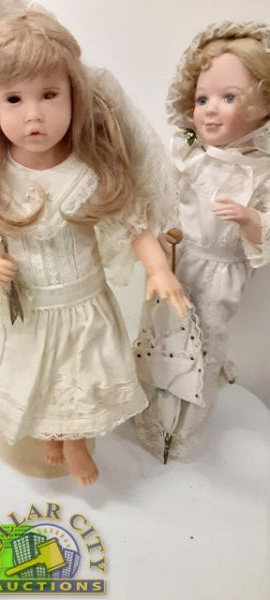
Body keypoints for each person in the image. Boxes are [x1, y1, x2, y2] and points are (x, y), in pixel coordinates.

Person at [0, 11, 189, 485]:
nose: (33, 115)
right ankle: (51, 434)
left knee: (80, 374)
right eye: (14, 99)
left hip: (82, 305)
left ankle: (75, 441)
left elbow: (132, 223)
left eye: (49, 95)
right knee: (34, 376)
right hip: (28, 309)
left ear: (73, 95)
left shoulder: (88, 169)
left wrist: (158, 269)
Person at [144, 21, 270, 457]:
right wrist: (161, 235)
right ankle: (156, 419)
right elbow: (164, 195)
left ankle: (187, 429)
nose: (210, 110)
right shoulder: (190, 156)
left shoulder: (260, 171)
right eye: (202, 99)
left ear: (263, 104)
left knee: (207, 343)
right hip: (178, 262)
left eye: (228, 98)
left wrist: (251, 220)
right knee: (164, 336)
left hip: (222, 272)